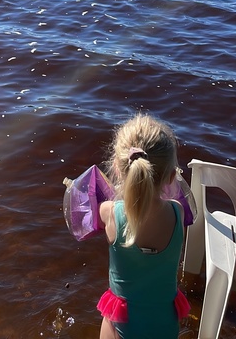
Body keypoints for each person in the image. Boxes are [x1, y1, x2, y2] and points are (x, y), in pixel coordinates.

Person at [97, 113, 190, 339]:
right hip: (165, 326)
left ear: (119, 171)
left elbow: (95, 216)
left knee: (107, 319)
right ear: (170, 178)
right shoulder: (177, 212)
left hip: (123, 328)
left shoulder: (109, 212)